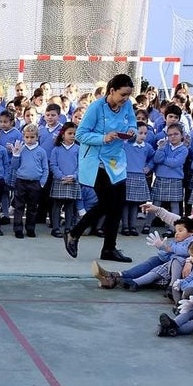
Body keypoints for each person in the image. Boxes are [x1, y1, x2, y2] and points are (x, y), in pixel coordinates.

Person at [63, 73, 136, 263]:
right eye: (123, 95)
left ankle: (109, 249)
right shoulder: (95, 108)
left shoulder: (127, 105)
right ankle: (75, 232)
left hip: (116, 161)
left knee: (117, 207)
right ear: (111, 91)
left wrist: (132, 132)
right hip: (97, 162)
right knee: (106, 203)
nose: (126, 99)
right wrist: (103, 138)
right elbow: (80, 135)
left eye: (128, 95)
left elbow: (133, 123)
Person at [8, 123, 49, 238]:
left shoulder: (41, 151)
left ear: (37, 137)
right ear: (23, 137)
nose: (29, 140)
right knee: (19, 207)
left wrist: (42, 183)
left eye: (32, 137)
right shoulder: (21, 148)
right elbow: (14, 166)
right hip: (21, 181)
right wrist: (15, 154)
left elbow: (45, 168)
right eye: (27, 137)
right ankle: (18, 229)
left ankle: (30, 228)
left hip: (35, 183)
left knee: (32, 208)